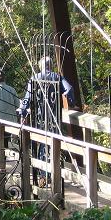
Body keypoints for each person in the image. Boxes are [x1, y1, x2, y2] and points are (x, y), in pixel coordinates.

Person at [19, 56, 73, 186]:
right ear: (51, 65)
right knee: (53, 145)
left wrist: (23, 111)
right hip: (55, 117)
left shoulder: (35, 78)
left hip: (40, 117)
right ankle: (51, 174)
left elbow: (28, 97)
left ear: (41, 66)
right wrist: (70, 100)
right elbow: (69, 89)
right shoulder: (57, 77)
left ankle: (43, 175)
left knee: (42, 144)